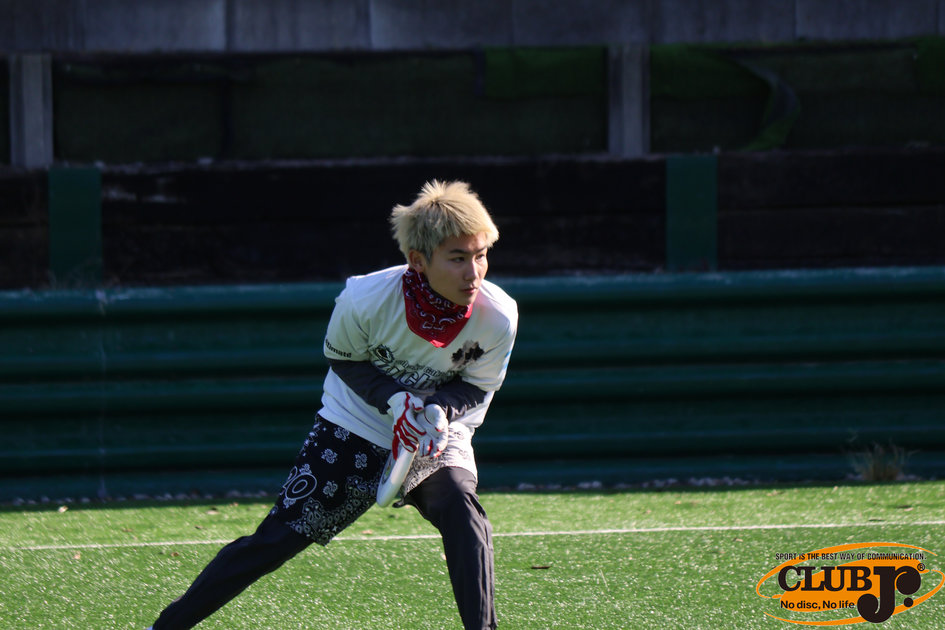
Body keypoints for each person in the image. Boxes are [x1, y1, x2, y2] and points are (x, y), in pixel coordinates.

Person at [147, 180, 518, 630]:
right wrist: (393, 398)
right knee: (275, 541)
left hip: (433, 430)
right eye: (458, 258)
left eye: (481, 255)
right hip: (356, 423)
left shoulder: (499, 315)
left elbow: (478, 385)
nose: (474, 273)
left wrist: (439, 409)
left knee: (462, 509)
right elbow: (343, 358)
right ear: (418, 260)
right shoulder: (364, 300)